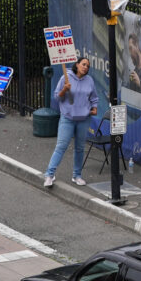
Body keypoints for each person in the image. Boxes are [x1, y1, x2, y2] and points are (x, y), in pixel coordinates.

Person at [43, 57, 98, 188]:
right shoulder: (66, 77)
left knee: (79, 148)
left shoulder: (89, 80)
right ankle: (49, 174)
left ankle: (77, 175)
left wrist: (94, 108)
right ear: (77, 65)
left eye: (87, 66)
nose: (85, 67)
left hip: (84, 119)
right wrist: (64, 90)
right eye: (83, 64)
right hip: (68, 118)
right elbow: (57, 96)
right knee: (61, 146)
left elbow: (94, 97)